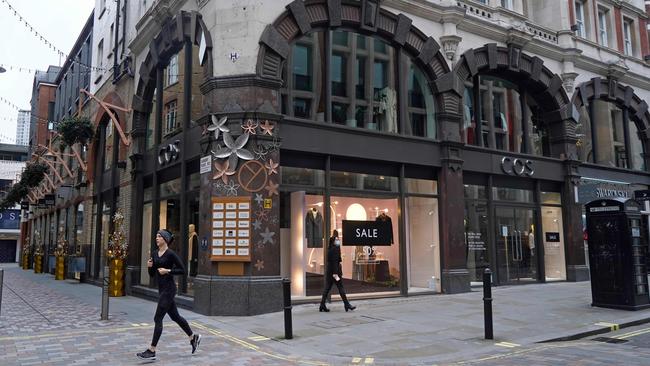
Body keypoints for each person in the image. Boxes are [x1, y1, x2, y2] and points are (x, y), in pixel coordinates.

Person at [137, 229, 201, 361]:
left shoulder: (171, 254)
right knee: (175, 317)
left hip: (169, 289)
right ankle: (193, 337)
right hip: (162, 289)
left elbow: (182, 270)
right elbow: (152, 274)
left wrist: (168, 270)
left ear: (165, 239)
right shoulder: (155, 253)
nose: (157, 238)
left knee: (157, 318)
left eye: (159, 236)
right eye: (156, 236)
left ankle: (152, 349)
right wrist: (149, 267)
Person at [319, 230, 356, 312]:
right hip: (335, 273)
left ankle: (322, 305)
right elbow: (335, 261)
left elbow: (332, 261)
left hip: (330, 272)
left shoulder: (330, 248)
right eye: (337, 239)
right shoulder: (335, 249)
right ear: (335, 241)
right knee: (340, 287)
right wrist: (336, 274)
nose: (339, 241)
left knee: (327, 288)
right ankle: (347, 304)